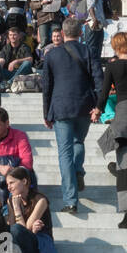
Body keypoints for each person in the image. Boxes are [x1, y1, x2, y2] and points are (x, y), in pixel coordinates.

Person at [40, 16, 103, 214]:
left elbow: (47, 86)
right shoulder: (89, 51)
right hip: (85, 106)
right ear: (81, 33)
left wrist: (46, 113)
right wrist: (99, 107)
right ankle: (78, 171)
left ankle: (71, 200)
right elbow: (98, 80)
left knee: (64, 152)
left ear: (64, 34)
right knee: (78, 143)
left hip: (60, 108)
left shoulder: (51, 55)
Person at [94, 30, 127, 229]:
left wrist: (98, 110)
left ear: (115, 46)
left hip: (123, 114)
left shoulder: (113, 66)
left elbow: (104, 93)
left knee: (123, 163)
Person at [4, 166, 58, 253]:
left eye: (12, 183)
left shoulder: (41, 200)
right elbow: (11, 227)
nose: (9, 187)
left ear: (24, 181)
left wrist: (16, 208)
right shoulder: (10, 200)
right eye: (7, 184)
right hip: (21, 242)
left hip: (40, 244)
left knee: (16, 230)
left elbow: (24, 230)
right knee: (5, 234)